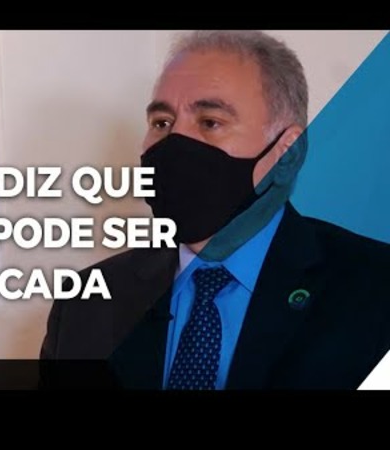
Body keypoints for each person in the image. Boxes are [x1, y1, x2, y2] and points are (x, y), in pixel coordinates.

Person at [39, 30, 390, 390]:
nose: (175, 143)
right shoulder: (85, 302)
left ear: (287, 154)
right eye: (162, 123)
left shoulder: (375, 292)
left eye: (210, 122)